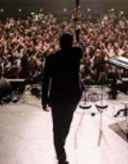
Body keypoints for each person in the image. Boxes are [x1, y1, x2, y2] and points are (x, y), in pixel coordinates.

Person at [42, 31, 84, 164]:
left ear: (59, 44)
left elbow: (45, 80)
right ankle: (61, 153)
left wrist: (44, 99)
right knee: (66, 123)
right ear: (71, 43)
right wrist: (78, 35)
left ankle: (60, 148)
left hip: (57, 96)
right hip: (72, 96)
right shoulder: (76, 54)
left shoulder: (51, 58)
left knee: (58, 126)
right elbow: (82, 46)